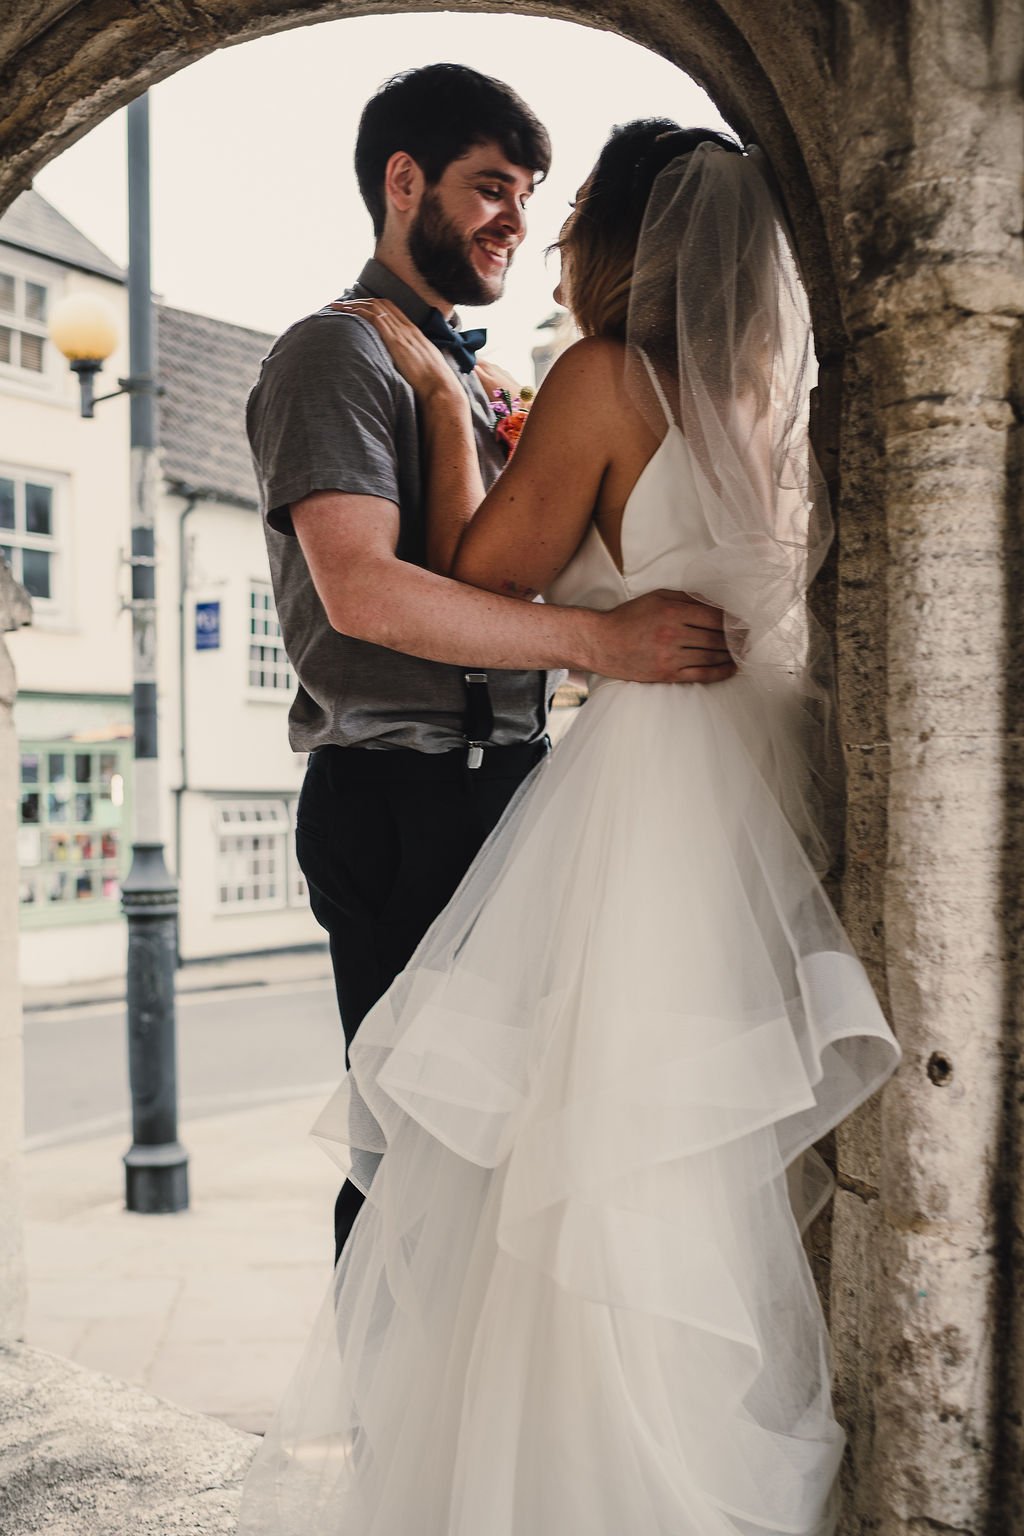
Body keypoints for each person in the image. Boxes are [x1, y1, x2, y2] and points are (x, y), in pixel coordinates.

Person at [239, 121, 901, 1535]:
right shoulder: (771, 395)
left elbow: (483, 576)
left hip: (641, 781)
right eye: (503, 187)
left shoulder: (603, 376)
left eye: (566, 203)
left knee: (549, 1149)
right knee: (685, 1141)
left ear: (631, 236)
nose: (542, 228)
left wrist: (440, 406)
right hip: (755, 782)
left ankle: (535, 1472)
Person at [246, 66, 736, 1262]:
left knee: (522, 1157)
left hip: (512, 791)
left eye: (528, 194)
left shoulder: (472, 377)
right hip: (404, 795)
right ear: (401, 181)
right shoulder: (336, 355)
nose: (515, 217)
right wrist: (601, 644)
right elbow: (361, 591)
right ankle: (390, 1442)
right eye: (489, 187)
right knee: (413, 1164)